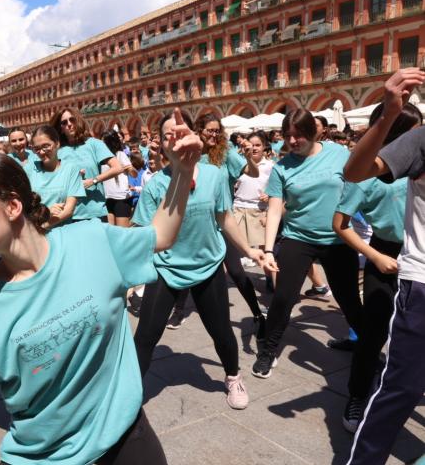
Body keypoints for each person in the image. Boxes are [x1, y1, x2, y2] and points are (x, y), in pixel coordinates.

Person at [0, 115, 202, 465]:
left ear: (13, 205)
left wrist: (183, 172)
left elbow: (162, 235)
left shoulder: (92, 240)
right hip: (44, 457)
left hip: (128, 439)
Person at [133, 109, 263, 410]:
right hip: (166, 269)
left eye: (178, 133)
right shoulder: (155, 185)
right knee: (146, 336)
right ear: (161, 144)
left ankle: (233, 377)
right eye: (166, 135)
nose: (172, 139)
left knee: (221, 332)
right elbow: (145, 233)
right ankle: (129, 393)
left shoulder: (215, 175)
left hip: (207, 266)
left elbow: (225, 218)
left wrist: (248, 250)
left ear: (191, 135)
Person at [341, 68, 425, 465]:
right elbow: (355, 172)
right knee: (401, 388)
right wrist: (389, 114)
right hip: (418, 280)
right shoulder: (421, 140)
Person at [254, 109, 362, 379]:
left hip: (338, 239)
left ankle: (365, 346)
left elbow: (359, 184)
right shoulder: (282, 167)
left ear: (314, 131)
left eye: (298, 135)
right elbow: (276, 208)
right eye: (287, 135)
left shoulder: (338, 153)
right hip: (298, 237)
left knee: (348, 297)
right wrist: (268, 250)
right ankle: (268, 349)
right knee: (283, 298)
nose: (291, 141)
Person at [194, 113, 265, 333]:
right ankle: (179, 310)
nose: (214, 135)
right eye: (209, 130)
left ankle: (257, 313)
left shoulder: (225, 153)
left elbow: (253, 173)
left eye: (217, 131)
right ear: (199, 130)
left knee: (235, 271)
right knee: (194, 268)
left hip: (224, 221)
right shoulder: (193, 154)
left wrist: (248, 157)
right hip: (198, 222)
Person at [49, 108, 123, 222]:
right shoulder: (58, 150)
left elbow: (118, 168)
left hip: (95, 211)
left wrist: (93, 180)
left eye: (72, 120)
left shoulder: (94, 144)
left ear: (78, 121)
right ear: (61, 128)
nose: (69, 124)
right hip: (69, 214)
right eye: (64, 122)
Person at [24, 125, 85, 228]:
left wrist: (43, 226)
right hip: (35, 231)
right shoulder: (30, 169)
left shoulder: (71, 169)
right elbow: (24, 204)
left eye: (46, 146)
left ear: (57, 144)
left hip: (61, 233)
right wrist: (46, 212)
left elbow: (69, 210)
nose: (42, 152)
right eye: (37, 149)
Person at [101, 131, 134, 227]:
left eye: (103, 142)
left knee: (122, 233)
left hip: (121, 199)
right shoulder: (101, 158)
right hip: (107, 198)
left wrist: (131, 169)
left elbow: (132, 173)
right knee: (110, 232)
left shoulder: (120, 155)